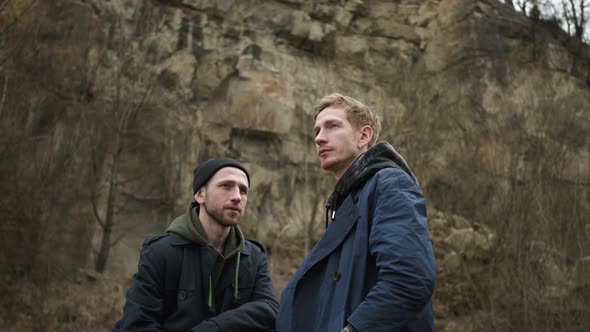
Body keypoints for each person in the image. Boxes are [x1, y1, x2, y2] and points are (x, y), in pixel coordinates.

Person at [276, 93, 436, 332]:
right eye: (317, 130)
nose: (319, 138)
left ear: (364, 136)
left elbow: (410, 279)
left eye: (333, 126)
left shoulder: (389, 184)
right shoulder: (345, 202)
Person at [113, 158, 279, 332]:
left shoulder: (254, 257)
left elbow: (269, 309)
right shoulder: (161, 252)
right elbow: (137, 324)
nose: (237, 197)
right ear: (200, 195)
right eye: (226, 186)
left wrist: (213, 328)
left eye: (243, 190)